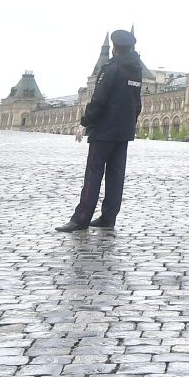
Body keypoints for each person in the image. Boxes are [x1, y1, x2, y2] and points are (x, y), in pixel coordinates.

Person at [57, 29, 145, 232]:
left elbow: (99, 99)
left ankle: (81, 219)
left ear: (114, 47)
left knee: (94, 173)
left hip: (104, 130)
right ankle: (108, 217)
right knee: (116, 175)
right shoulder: (136, 70)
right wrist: (129, 123)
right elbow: (137, 103)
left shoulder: (111, 68)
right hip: (123, 132)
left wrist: (85, 122)